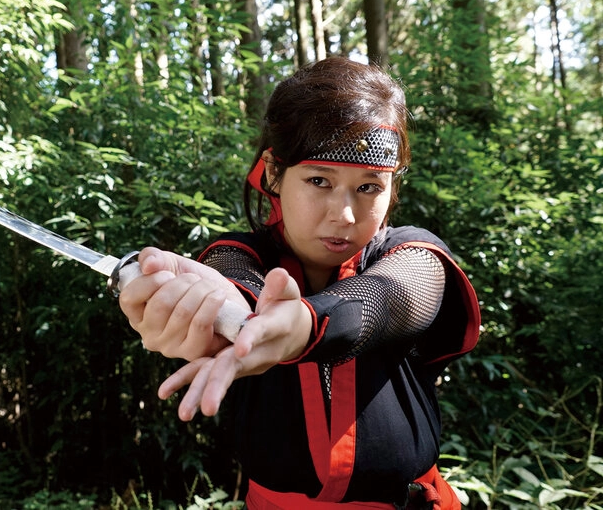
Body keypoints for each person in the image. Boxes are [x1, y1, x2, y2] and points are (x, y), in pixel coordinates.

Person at [119, 56, 481, 509]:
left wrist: (305, 326)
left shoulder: (413, 255)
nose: (344, 214)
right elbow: (235, 285)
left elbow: (390, 296)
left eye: (369, 187)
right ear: (274, 171)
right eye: (318, 180)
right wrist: (226, 316)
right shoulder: (237, 255)